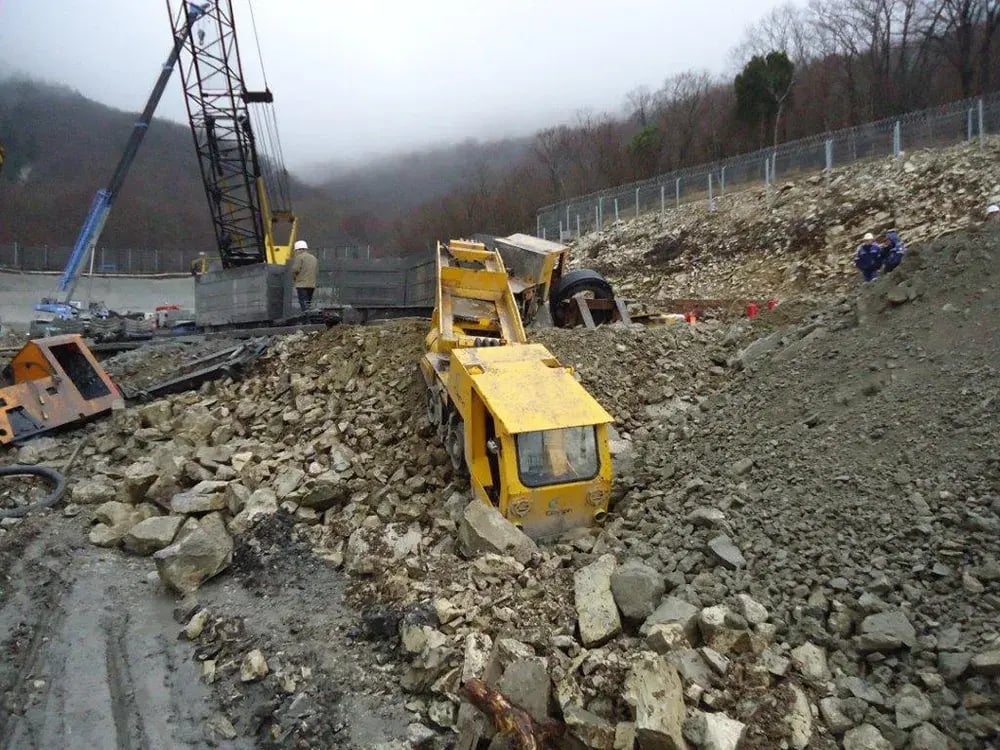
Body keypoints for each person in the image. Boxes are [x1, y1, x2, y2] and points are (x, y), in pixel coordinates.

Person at [290, 239, 318, 313]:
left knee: (303, 303)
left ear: (298, 249)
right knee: (308, 302)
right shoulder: (314, 258)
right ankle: (310, 317)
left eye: (296, 251)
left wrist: (293, 278)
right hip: (312, 284)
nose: (295, 253)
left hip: (302, 284)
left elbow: (295, 269)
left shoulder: (300, 257)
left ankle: (306, 318)